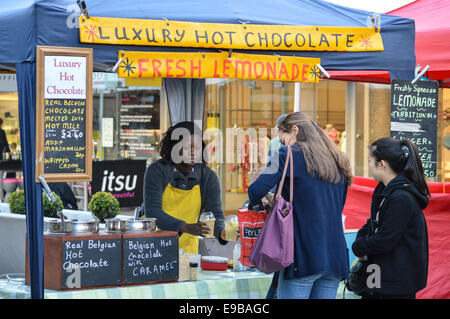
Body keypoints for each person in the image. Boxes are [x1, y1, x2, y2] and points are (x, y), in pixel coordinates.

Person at [248, 112, 353, 299]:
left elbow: (256, 189)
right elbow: (339, 206)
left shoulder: (284, 154)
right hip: (336, 257)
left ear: (294, 130)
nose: (282, 144)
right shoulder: (338, 159)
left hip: (302, 255)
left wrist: (261, 203)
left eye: (282, 139)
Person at [351, 137, 429, 299]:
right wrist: (362, 240)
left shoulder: (401, 197)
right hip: (379, 276)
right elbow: (373, 224)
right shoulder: (384, 190)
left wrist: (359, 246)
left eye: (370, 161)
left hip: (395, 283)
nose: (369, 166)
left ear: (382, 164)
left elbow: (385, 239)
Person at [143, 121, 227, 254]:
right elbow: (153, 212)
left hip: (187, 252)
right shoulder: (157, 171)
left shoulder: (207, 176)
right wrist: (185, 227)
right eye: (187, 147)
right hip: (152, 247)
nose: (193, 152)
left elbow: (215, 213)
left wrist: (221, 231)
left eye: (197, 148)